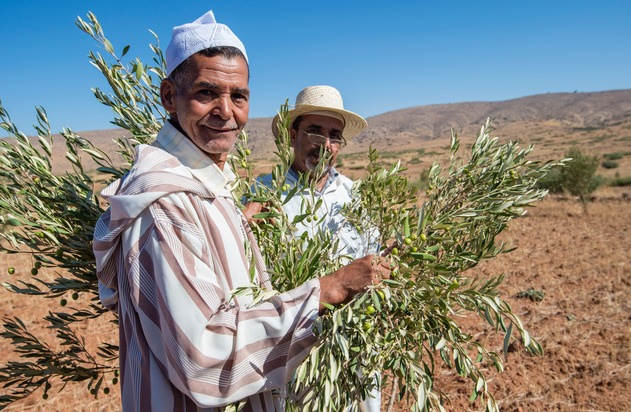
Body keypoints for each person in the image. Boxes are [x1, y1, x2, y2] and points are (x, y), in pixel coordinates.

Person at [92, 11, 387, 412]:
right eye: (206, 93)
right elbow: (203, 360)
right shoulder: (164, 204)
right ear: (168, 97)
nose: (226, 111)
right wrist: (327, 290)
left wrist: (234, 232)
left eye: (239, 96)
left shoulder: (210, 192)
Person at [249, 85, 383, 412]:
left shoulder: (356, 197)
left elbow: (375, 264)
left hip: (351, 349)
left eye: (334, 135)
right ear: (293, 134)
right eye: (315, 131)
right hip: (289, 354)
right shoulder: (262, 197)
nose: (325, 144)